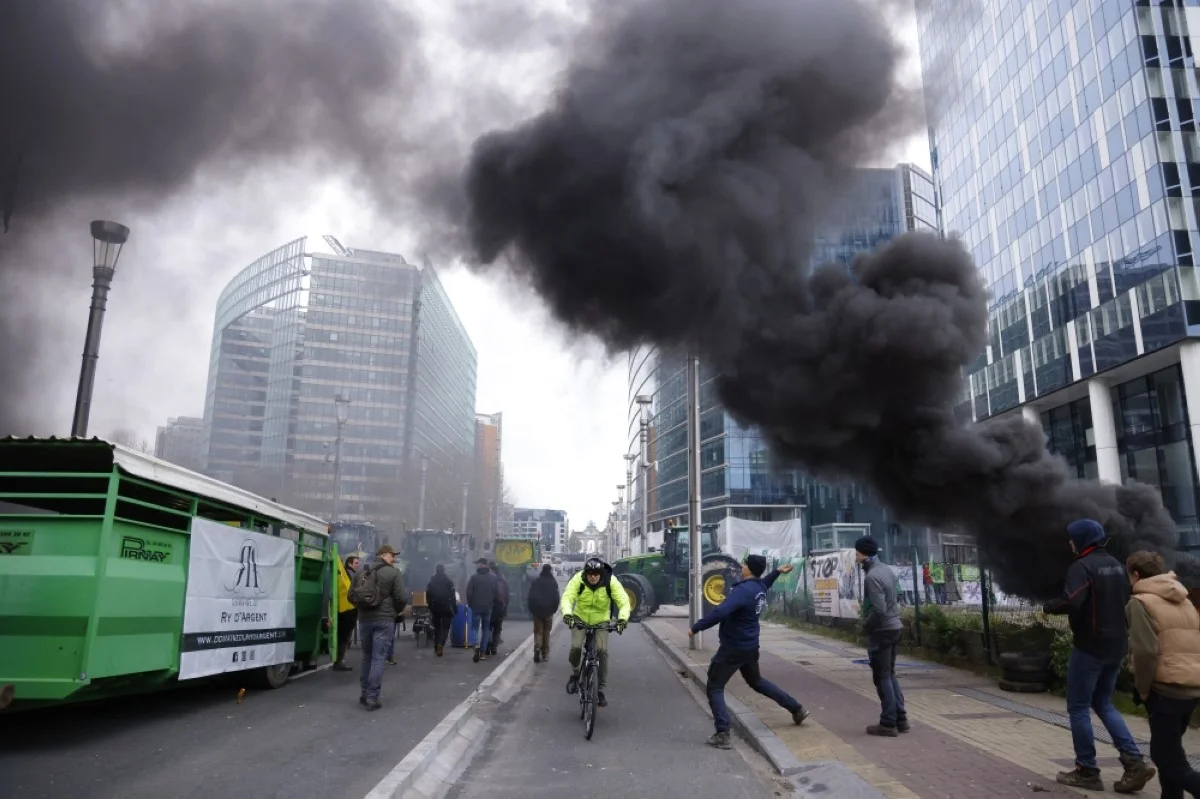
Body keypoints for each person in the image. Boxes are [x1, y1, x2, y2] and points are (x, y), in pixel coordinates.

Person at [1044, 519, 1155, 792]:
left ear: (1082, 540)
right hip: (1116, 644)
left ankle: (1087, 770)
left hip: (1090, 646)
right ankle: (1133, 761)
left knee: (1078, 707)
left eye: (1072, 539)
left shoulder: (1082, 567)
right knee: (1104, 703)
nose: (1070, 543)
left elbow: (1073, 600)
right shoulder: (1118, 567)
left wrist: (1049, 606)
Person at [690, 555, 808, 750]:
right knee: (757, 682)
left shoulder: (743, 591)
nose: (742, 566)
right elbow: (766, 581)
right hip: (750, 647)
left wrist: (696, 627)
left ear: (750, 569)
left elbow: (721, 612)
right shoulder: (758, 588)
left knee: (715, 686)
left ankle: (722, 733)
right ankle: (796, 708)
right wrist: (777, 571)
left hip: (733, 648)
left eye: (744, 564)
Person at [1126, 550, 1200, 798]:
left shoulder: (1140, 602)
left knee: (1167, 758)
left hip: (1164, 689)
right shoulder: (1183, 598)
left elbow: (1145, 651)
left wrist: (1144, 688)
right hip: (1190, 688)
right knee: (1171, 752)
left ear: (1135, 575)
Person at [853, 537, 908, 737]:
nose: (855, 556)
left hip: (882, 630)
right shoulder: (886, 569)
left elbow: (879, 609)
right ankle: (901, 719)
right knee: (890, 673)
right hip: (894, 627)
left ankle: (888, 722)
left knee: (882, 675)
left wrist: (864, 627)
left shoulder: (872, 576)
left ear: (862, 553)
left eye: (857, 552)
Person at [561, 557, 630, 707]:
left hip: (601, 620)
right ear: (585, 573)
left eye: (596, 573)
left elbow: (624, 601)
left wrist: (622, 620)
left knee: (602, 651)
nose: (593, 576)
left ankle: (599, 689)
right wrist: (567, 614)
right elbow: (567, 597)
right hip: (580, 618)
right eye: (590, 573)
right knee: (576, 647)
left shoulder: (610, 581)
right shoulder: (578, 579)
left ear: (601, 573)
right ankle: (575, 673)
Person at [356, 545, 407, 711]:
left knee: (367, 657)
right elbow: (401, 597)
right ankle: (372, 697)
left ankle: (364, 694)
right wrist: (395, 611)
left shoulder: (361, 572)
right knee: (378, 658)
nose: (394, 558)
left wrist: (362, 608)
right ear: (383, 555)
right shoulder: (393, 573)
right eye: (392, 555)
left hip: (364, 620)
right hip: (384, 620)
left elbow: (351, 595)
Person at [466, 557, 499, 662]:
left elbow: (469, 593)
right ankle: (483, 652)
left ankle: (475, 645)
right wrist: (492, 602)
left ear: (481, 565)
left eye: (478, 564)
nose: (477, 565)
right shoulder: (493, 578)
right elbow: (497, 593)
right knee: (486, 628)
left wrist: (471, 604)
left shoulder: (474, 578)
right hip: (488, 607)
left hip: (476, 606)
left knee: (474, 627)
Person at [527, 563, 560, 663]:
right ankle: (545, 654)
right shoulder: (553, 582)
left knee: (538, 631)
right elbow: (556, 598)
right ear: (550, 571)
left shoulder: (536, 582)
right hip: (549, 611)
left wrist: (532, 609)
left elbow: (530, 597)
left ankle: (537, 647)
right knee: (546, 632)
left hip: (537, 611)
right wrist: (554, 609)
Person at [333, 554, 360, 671]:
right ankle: (338, 661)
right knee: (344, 636)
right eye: (356, 563)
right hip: (348, 609)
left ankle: (338, 660)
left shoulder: (345, 573)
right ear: (349, 564)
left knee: (343, 636)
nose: (358, 565)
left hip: (343, 608)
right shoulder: (349, 575)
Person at [426, 564, 457, 658]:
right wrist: (454, 608)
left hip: (435, 607)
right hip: (446, 607)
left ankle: (436, 646)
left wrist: (430, 605)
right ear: (444, 570)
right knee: (446, 627)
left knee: (437, 628)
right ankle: (441, 644)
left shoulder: (431, 582)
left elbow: (428, 595)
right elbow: (453, 596)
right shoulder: (449, 582)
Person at [489, 560, 509, 655]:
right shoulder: (503, 582)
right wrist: (505, 609)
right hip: (500, 607)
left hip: (490, 607)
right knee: (497, 628)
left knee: (488, 627)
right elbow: (507, 597)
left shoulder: (489, 580)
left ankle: (487, 645)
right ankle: (494, 647)